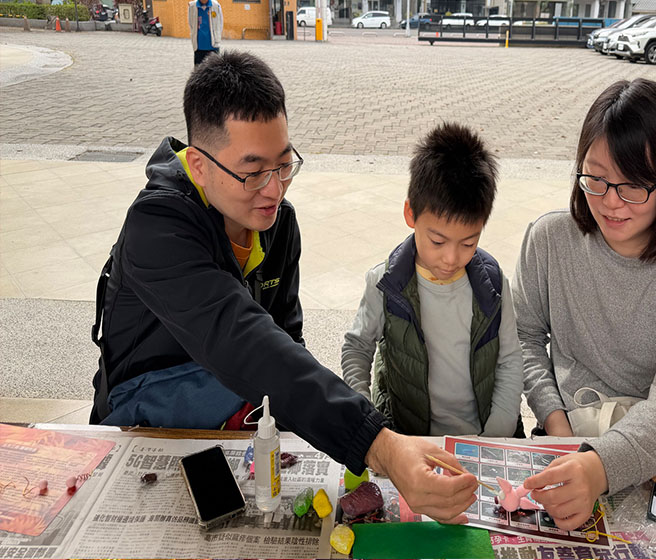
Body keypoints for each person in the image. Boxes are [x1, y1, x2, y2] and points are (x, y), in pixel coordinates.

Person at [89, 51, 477, 523]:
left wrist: (312, 425)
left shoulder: (277, 224)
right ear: (199, 164)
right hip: (144, 412)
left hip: (238, 410)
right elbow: (242, 341)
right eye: (252, 172)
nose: (274, 190)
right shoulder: (156, 227)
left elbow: (285, 339)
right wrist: (377, 442)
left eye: (284, 164)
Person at [513, 78, 656, 530]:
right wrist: (559, 429)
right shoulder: (549, 239)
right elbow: (524, 336)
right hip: (567, 436)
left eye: (633, 184)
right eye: (595, 178)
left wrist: (599, 465)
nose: (611, 203)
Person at [341, 122, 524, 438]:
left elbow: (510, 359)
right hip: (409, 439)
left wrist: (495, 437)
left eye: (468, 243)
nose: (451, 258)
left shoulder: (493, 284)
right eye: (438, 241)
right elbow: (357, 347)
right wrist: (367, 421)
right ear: (410, 214)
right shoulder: (386, 284)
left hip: (485, 436)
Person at [188, 0, 222, 66]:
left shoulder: (216, 5)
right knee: (199, 68)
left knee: (215, 68)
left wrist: (217, 37)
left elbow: (220, 24)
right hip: (199, 46)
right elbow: (191, 24)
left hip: (213, 46)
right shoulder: (192, 6)